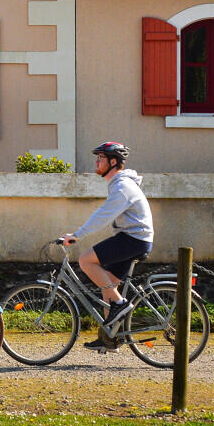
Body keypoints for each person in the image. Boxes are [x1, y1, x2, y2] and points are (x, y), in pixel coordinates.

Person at [60, 142, 154, 351]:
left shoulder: (123, 187)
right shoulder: (119, 184)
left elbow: (103, 215)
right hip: (132, 238)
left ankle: (121, 305)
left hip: (133, 239)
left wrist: (77, 235)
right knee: (108, 287)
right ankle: (110, 339)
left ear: (113, 162)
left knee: (86, 260)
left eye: (100, 158)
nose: (96, 162)